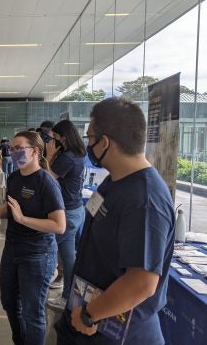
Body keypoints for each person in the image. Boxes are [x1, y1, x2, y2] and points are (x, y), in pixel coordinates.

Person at [54, 98, 175, 344]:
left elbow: (142, 282)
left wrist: (90, 314)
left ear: (105, 142)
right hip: (88, 317)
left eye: (90, 138)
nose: (87, 145)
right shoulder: (115, 182)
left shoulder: (145, 199)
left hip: (115, 330)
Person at [0, 131, 66, 345]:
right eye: (12, 149)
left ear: (35, 151)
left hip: (38, 254)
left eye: (19, 148)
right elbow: (13, 210)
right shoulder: (14, 177)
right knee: (9, 302)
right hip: (13, 249)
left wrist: (23, 219)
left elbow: (59, 225)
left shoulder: (46, 183)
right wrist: (0, 211)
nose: (14, 153)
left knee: (33, 313)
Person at [44, 119, 87, 311]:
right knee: (69, 256)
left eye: (55, 138)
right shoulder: (78, 154)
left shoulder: (67, 157)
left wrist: (49, 155)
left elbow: (48, 178)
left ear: (63, 137)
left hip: (66, 213)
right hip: (75, 210)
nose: (53, 141)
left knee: (48, 251)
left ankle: (53, 294)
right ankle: (68, 296)